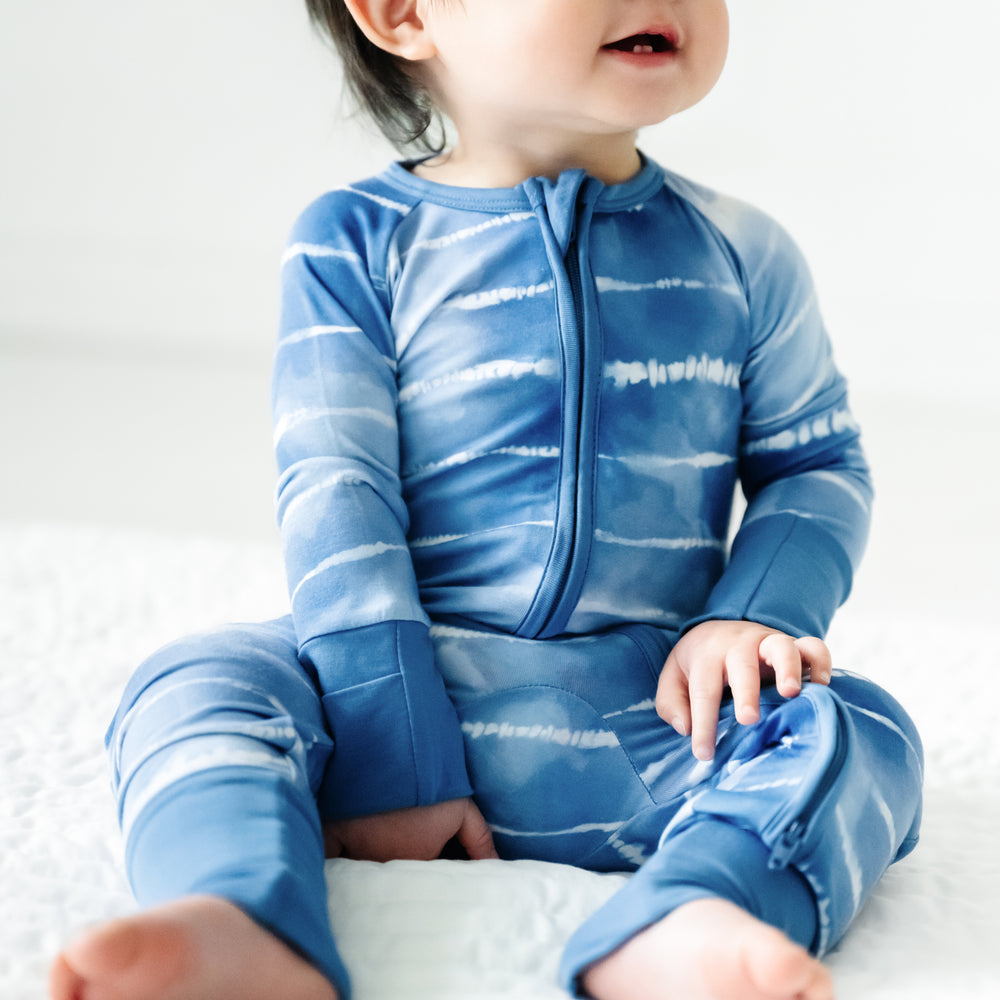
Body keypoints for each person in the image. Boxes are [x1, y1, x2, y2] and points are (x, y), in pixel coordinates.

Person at [50, 2, 924, 999]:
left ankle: (691, 916)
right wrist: (390, 749)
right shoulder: (354, 244)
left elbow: (812, 466)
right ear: (402, 13)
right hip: (386, 684)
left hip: (653, 718)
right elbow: (339, 492)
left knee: (857, 727)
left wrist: (752, 616)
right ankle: (241, 920)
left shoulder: (743, 254)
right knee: (200, 679)